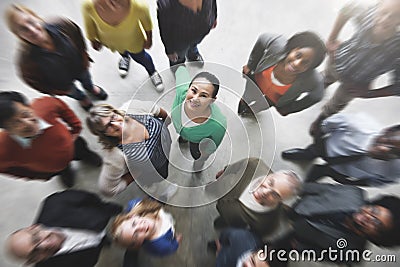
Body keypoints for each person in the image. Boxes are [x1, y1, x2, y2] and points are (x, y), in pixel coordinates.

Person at [310, 0, 400, 136]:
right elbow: (347, 9)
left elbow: (398, 86)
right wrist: (332, 39)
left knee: (337, 104)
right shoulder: (368, 13)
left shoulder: (397, 48)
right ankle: (321, 87)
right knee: (325, 78)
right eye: (384, 12)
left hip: (355, 84)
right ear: (378, 5)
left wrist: (370, 94)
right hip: (338, 60)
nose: (385, 19)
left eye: (394, 16)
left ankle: (320, 120)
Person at [5, 4, 107, 111]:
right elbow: (36, 83)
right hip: (64, 85)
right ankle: (81, 97)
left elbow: (78, 39)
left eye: (30, 21)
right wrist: (55, 91)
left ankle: (90, 88)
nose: (32, 30)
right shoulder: (26, 62)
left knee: (87, 79)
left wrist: (85, 57)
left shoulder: (61, 25)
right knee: (74, 92)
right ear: (19, 35)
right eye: (23, 29)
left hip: (79, 67)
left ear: (36, 17)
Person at [270, 183, 400, 266]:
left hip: (290, 239)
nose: (368, 216)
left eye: (376, 223)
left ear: (378, 238)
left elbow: (321, 254)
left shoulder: (351, 254)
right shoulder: (353, 193)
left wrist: (297, 247)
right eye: (374, 210)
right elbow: (317, 188)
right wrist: (292, 189)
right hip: (291, 207)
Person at [0, 91, 102, 187]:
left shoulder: (45, 105)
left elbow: (60, 106)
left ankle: (86, 156)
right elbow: (7, 169)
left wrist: (75, 127)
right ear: (6, 129)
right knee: (62, 169)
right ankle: (64, 171)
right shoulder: (3, 149)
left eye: (25, 114)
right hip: (52, 167)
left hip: (72, 144)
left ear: (29, 107)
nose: (28, 124)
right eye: (15, 123)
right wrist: (40, 175)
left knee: (82, 150)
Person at [6, 190, 122, 267]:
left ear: (34, 227)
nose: (44, 245)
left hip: (106, 216)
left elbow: (89, 198)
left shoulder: (55, 203)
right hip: (92, 251)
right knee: (102, 242)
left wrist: (107, 208)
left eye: (36, 239)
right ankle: (102, 241)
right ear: (32, 261)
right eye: (35, 252)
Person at [282, 113, 400, 186]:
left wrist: (351, 182)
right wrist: (318, 137)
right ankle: (306, 154)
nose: (384, 149)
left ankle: (312, 178)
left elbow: (378, 182)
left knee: (322, 172)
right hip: (327, 147)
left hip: (342, 171)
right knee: (313, 151)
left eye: (394, 152)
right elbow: (329, 124)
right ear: (387, 130)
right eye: (388, 142)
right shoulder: (359, 124)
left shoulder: (395, 170)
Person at [86, 102, 172, 197]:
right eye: (107, 126)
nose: (116, 124)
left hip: (167, 151)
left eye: (113, 117)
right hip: (154, 171)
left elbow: (157, 110)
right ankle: (155, 191)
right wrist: (134, 174)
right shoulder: (115, 154)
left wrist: (167, 122)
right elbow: (107, 189)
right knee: (158, 181)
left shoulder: (134, 109)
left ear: (115, 112)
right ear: (103, 134)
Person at [82, 0, 164, 91]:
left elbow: (147, 25)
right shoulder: (88, 7)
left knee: (141, 57)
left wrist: (149, 39)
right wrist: (92, 39)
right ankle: (125, 57)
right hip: (112, 42)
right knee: (121, 51)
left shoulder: (139, 7)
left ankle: (152, 72)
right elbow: (89, 24)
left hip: (133, 42)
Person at [238, 31, 326, 116]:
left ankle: (252, 110)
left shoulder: (311, 78)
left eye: (305, 63)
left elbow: (318, 95)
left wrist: (290, 108)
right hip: (256, 82)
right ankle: (244, 103)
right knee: (248, 95)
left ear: (310, 67)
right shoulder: (277, 45)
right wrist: (251, 65)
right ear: (292, 49)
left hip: (272, 99)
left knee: (261, 106)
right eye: (298, 55)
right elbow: (262, 39)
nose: (296, 64)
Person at [213, 158, 301, 236]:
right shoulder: (254, 165)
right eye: (270, 182)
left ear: (281, 201)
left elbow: (253, 235)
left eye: (275, 194)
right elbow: (237, 167)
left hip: (231, 220)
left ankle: (224, 221)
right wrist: (225, 171)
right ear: (270, 174)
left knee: (226, 223)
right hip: (220, 189)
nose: (265, 192)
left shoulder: (268, 223)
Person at [171, 66, 227, 170]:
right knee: (183, 135)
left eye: (204, 96)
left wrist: (204, 156)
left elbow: (213, 144)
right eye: (194, 90)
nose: (195, 99)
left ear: (212, 100)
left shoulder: (218, 124)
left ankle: (198, 165)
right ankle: (183, 138)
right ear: (188, 88)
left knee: (196, 155)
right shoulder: (181, 91)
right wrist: (179, 64)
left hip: (196, 142)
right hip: (181, 130)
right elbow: (181, 71)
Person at [111, 198, 181, 263]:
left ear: (133, 216)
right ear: (139, 243)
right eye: (136, 235)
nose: (141, 227)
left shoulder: (138, 205)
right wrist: (176, 242)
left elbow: (147, 199)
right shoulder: (161, 246)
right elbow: (171, 248)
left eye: (134, 223)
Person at [157, 0, 217, 67]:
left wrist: (214, 16)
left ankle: (193, 54)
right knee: (178, 59)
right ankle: (179, 68)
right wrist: (169, 51)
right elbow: (165, 31)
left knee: (193, 45)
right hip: (180, 41)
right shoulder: (166, 5)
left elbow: (212, 2)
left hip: (199, 35)